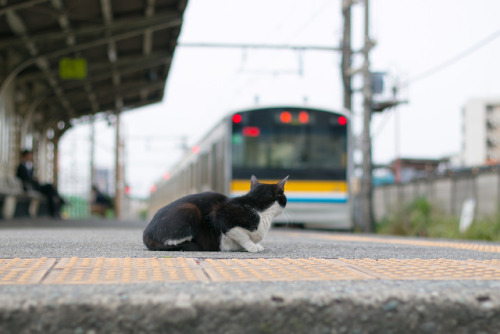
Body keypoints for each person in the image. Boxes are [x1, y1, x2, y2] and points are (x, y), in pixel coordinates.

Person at [16, 149, 65, 218]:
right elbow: (24, 179)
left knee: (50, 191)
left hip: (34, 185)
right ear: (25, 156)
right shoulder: (21, 167)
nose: (31, 157)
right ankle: (57, 203)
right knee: (49, 188)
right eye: (30, 155)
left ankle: (55, 210)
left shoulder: (29, 167)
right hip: (30, 187)